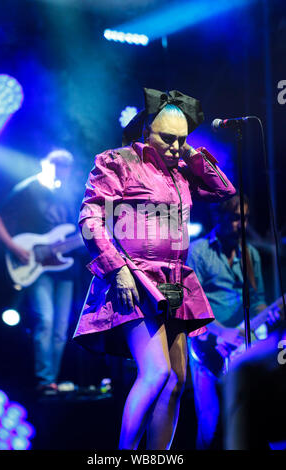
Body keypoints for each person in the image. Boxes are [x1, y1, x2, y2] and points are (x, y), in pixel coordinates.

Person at [73, 87, 236, 450]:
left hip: (175, 280)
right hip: (133, 276)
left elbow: (223, 189)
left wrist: (189, 152)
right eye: (168, 138)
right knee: (157, 371)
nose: (176, 146)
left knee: (177, 380)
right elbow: (89, 217)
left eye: (182, 139)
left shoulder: (181, 170)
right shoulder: (117, 161)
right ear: (147, 130)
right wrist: (116, 268)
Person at [0, 149, 78, 395]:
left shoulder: (67, 194)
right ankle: (43, 379)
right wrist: (13, 246)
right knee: (45, 319)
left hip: (64, 267)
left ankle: (51, 381)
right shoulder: (28, 188)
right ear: (45, 164)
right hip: (36, 266)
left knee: (61, 328)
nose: (62, 170)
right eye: (58, 164)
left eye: (66, 166)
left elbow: (74, 228)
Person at [187, 193, 268, 449]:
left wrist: (266, 318)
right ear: (217, 216)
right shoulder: (198, 251)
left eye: (244, 219)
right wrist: (222, 333)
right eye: (234, 218)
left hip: (244, 347)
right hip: (208, 345)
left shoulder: (250, 253)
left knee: (247, 422)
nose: (240, 225)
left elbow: (257, 300)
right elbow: (191, 306)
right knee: (210, 427)